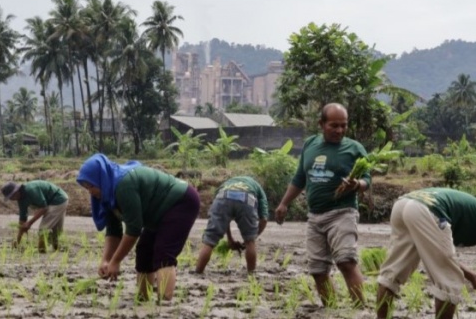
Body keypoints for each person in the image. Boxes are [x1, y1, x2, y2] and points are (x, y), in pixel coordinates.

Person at [274, 103, 371, 307]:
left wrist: (357, 184)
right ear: (321, 124)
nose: (339, 130)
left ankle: (359, 310)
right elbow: (300, 178)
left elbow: (367, 180)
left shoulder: (354, 149)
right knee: (318, 270)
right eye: (334, 126)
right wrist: (284, 204)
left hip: (342, 213)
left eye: (343, 126)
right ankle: (332, 310)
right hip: (315, 216)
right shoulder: (310, 145)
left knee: (346, 261)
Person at [77, 153, 200, 302]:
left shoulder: (123, 185)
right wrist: (106, 260)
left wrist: (115, 262)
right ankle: (143, 299)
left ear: (101, 178)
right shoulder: (107, 195)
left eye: (91, 186)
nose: (90, 191)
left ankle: (164, 303)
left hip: (181, 201)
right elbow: (113, 231)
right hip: (158, 211)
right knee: (144, 250)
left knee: (163, 251)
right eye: (86, 188)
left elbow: (134, 229)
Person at [376, 188, 476, 319]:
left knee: (392, 273)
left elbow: (441, 253)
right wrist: (471, 276)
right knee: (448, 281)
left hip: (404, 203)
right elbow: (445, 258)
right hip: (429, 209)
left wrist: (470, 275)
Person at [195, 176, 268, 274]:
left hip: (223, 196)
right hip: (246, 199)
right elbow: (264, 218)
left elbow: (225, 217)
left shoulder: (226, 184)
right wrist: (253, 237)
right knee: (250, 242)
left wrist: (230, 239)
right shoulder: (258, 188)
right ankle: (251, 274)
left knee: (209, 241)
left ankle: (198, 272)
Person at [1, 179, 69, 253]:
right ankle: (56, 247)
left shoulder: (31, 190)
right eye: (10, 198)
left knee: (44, 228)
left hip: (58, 200)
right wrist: (18, 240)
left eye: (11, 196)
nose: (11, 199)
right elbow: (22, 220)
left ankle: (42, 250)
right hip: (50, 202)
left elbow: (44, 208)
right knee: (56, 228)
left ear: (16, 191)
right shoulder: (21, 199)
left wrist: (29, 223)